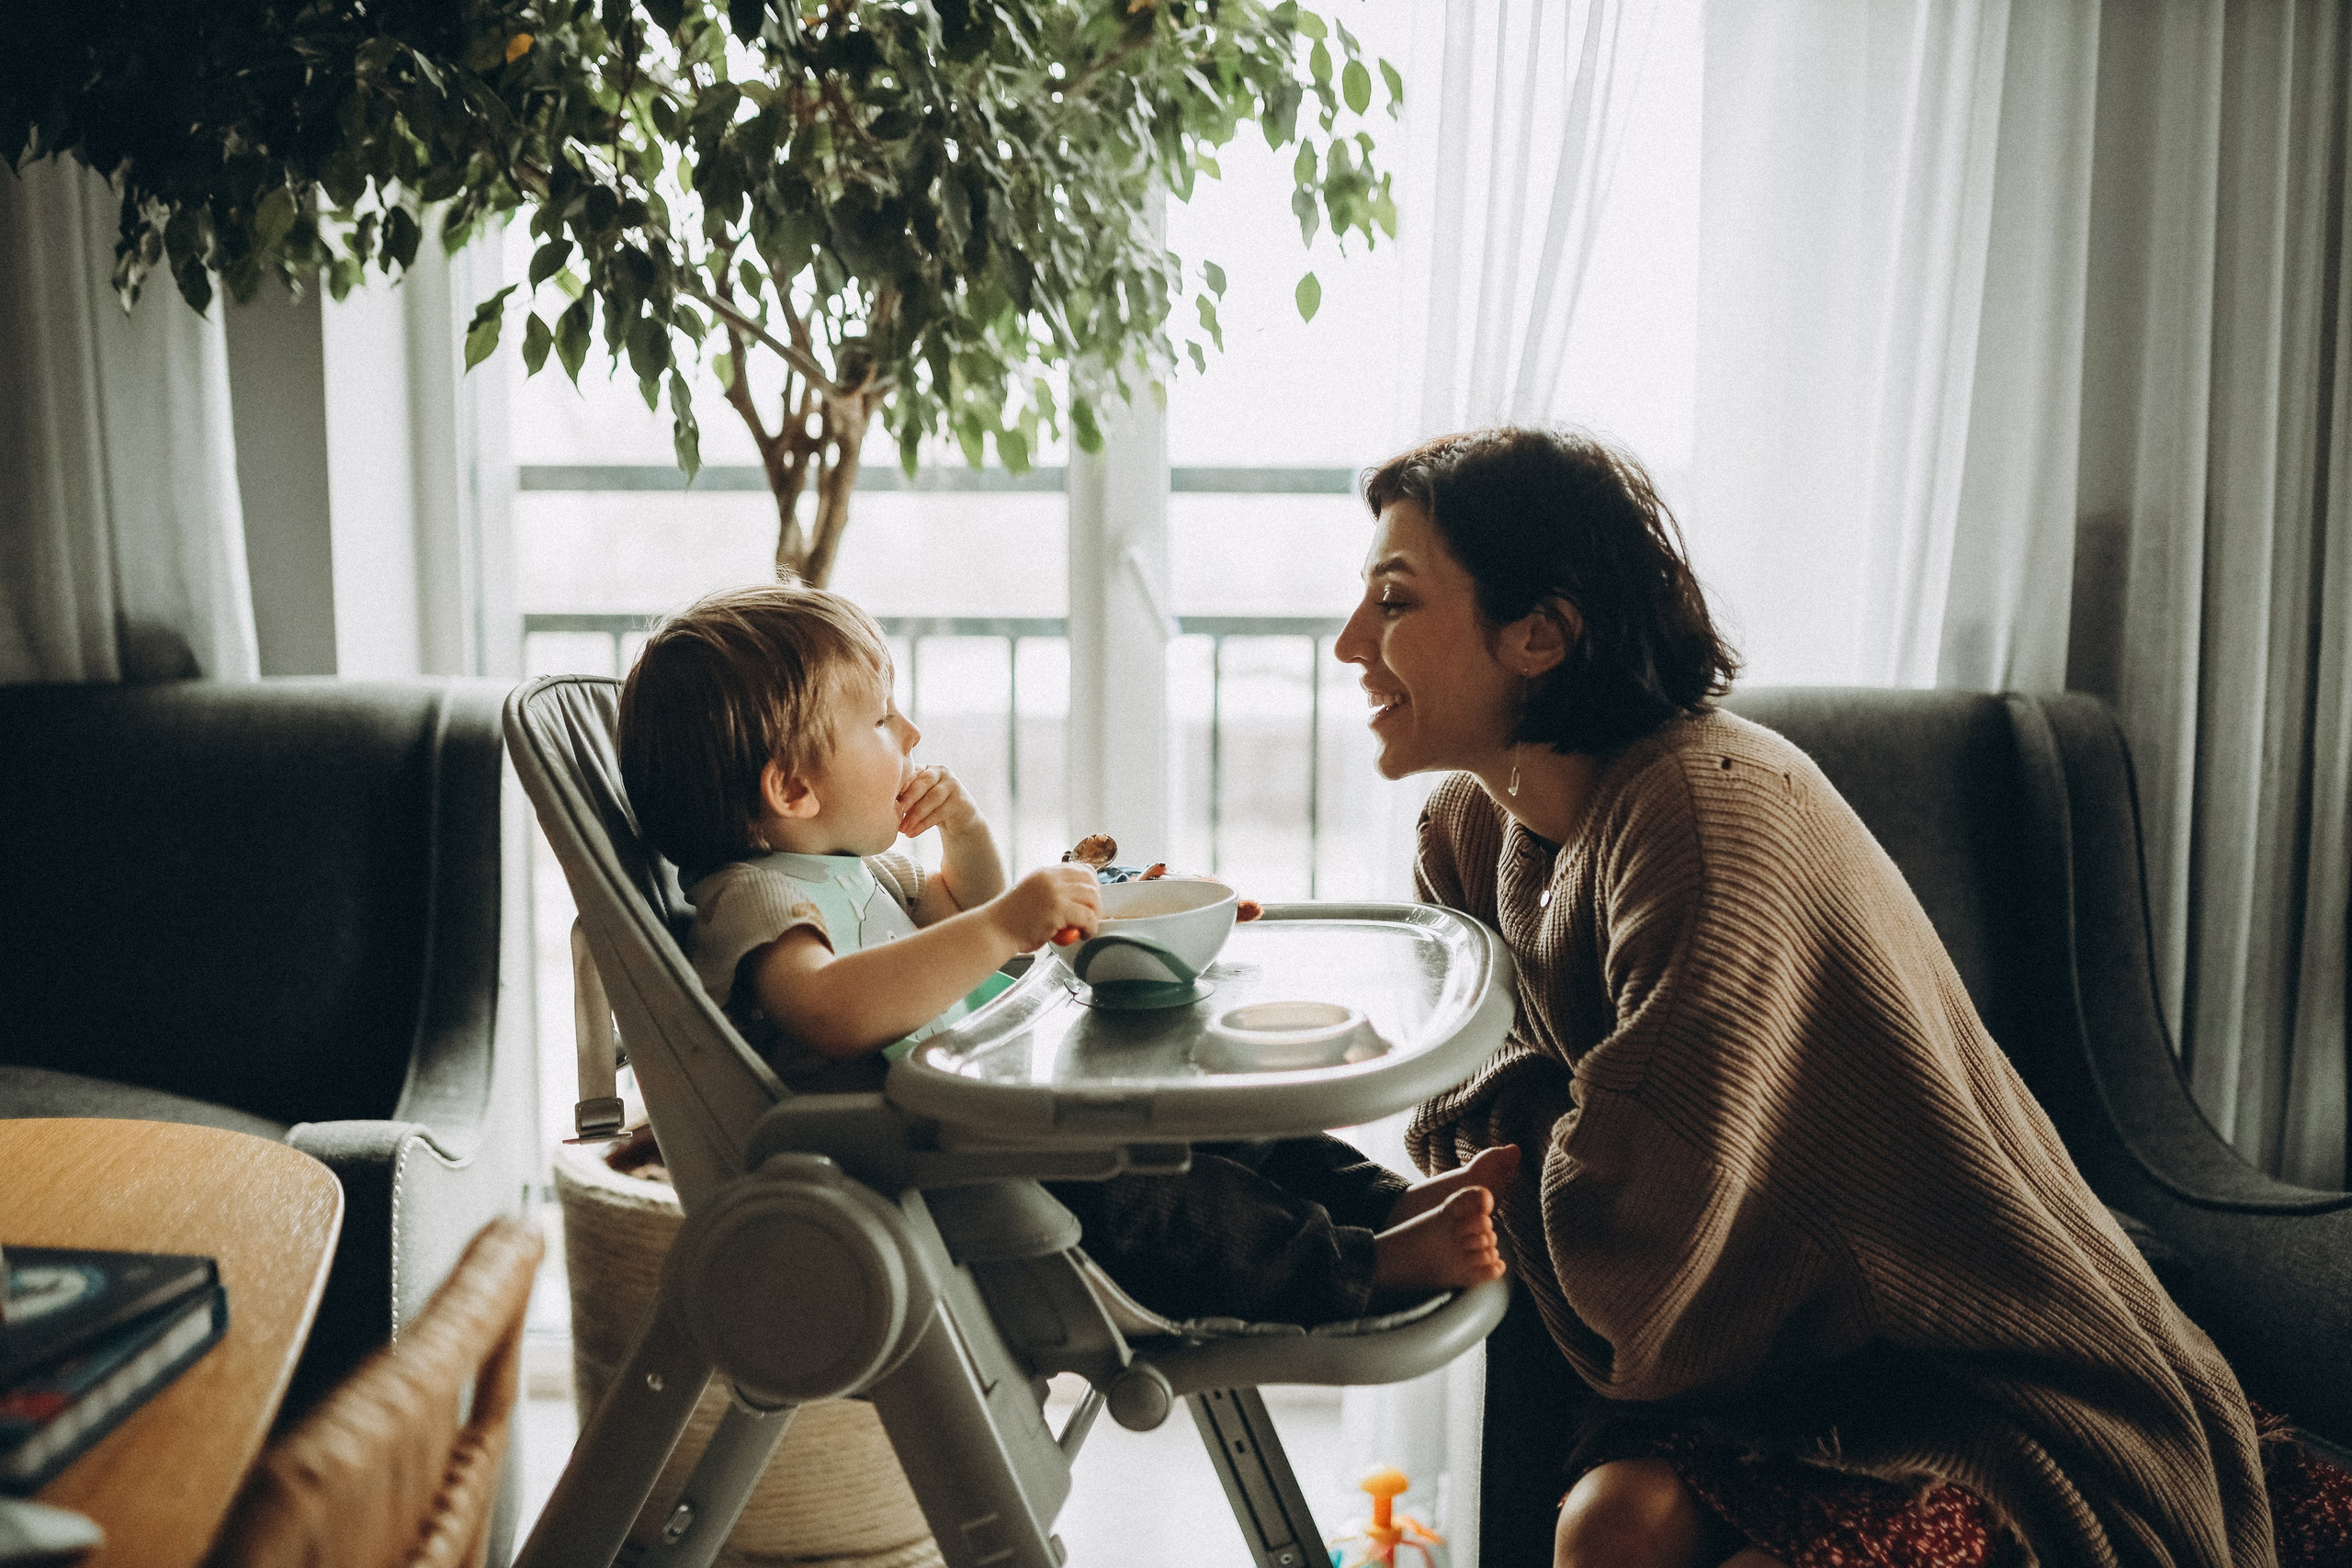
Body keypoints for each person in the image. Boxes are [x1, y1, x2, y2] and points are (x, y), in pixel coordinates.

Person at [1331, 427, 2344, 1567]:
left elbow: (1621, 1253)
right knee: (1610, 1530)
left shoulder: (1701, 818)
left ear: (1541, 634)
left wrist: (1511, 1110)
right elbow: (1492, 1149)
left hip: (1963, 1355)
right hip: (1770, 1359)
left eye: (1394, 602)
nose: (1347, 643)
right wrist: (1532, 1119)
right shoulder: (1466, 832)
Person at [616, 581, 1515, 1327]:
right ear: (791, 786)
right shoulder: (757, 896)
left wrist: (965, 836)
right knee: (1168, 1203)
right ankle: (1360, 1267)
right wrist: (1006, 925)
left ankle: (1386, 1205)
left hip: (989, 1118)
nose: (912, 737)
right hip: (947, 1163)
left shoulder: (853, 871)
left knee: (1222, 1115)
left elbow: (954, 908)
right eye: (883, 720)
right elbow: (831, 1010)